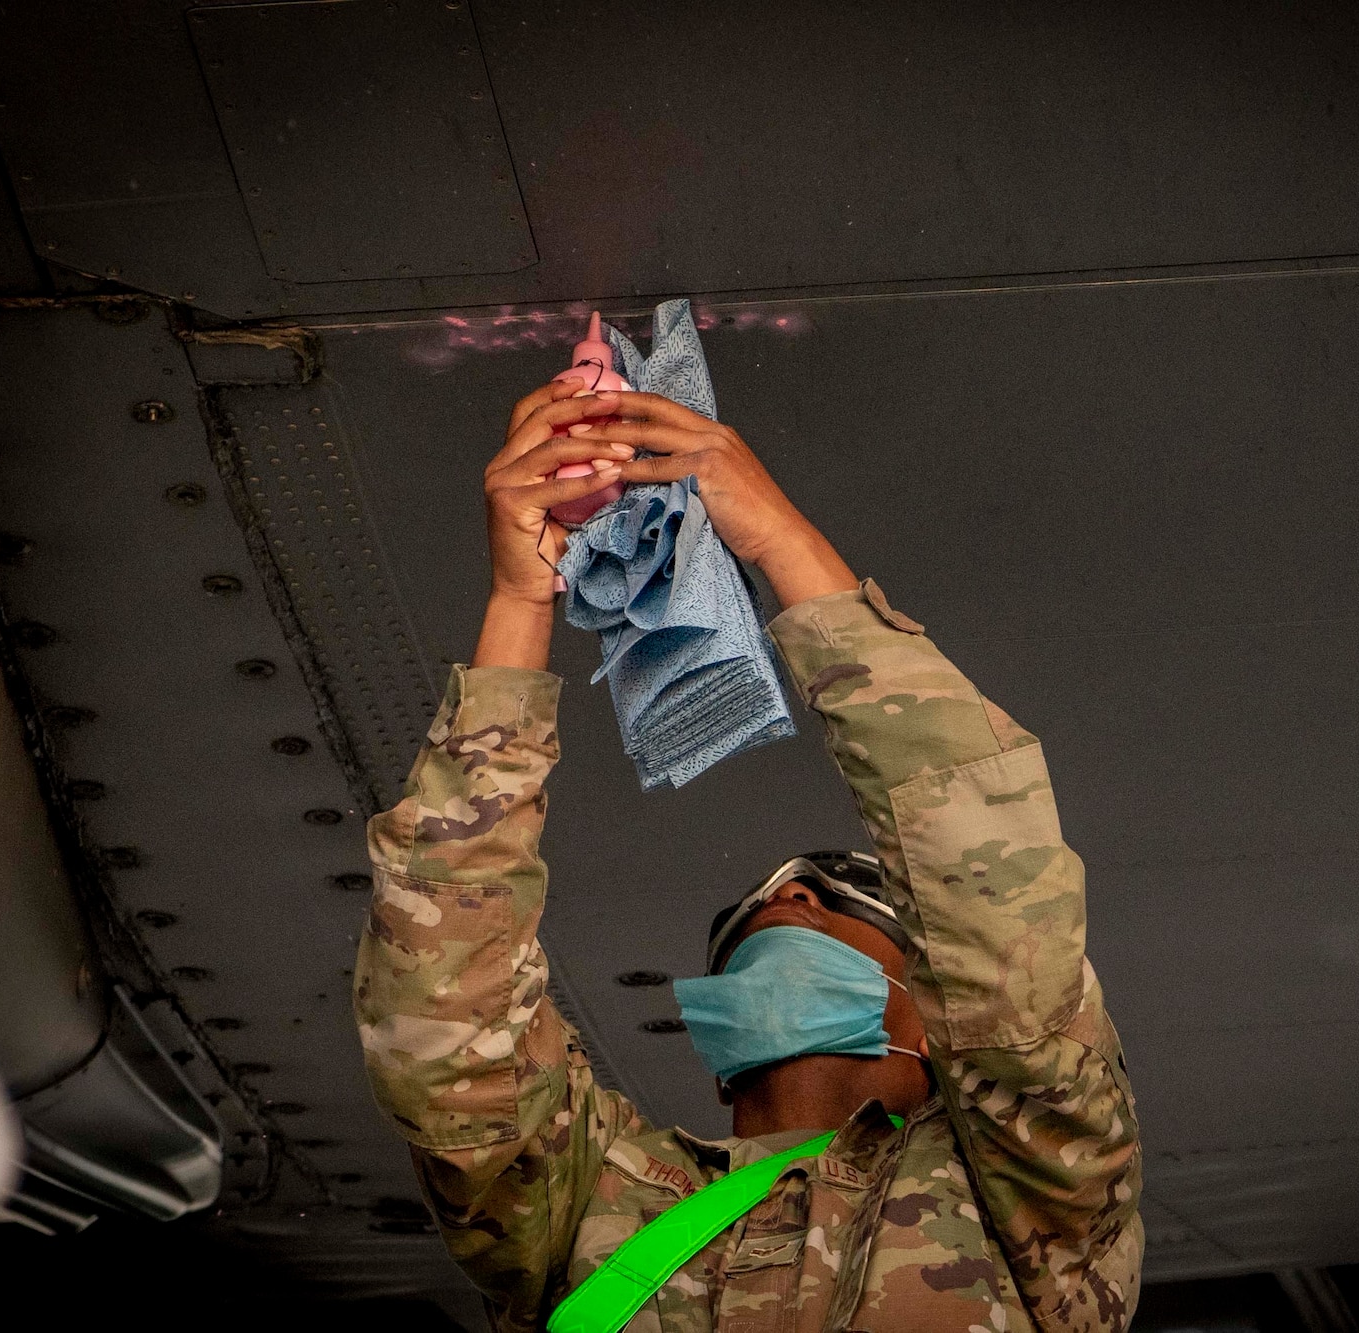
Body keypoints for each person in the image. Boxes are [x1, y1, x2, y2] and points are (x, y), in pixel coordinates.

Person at [354, 378, 1143, 1332]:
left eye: (836, 897)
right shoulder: (599, 1201)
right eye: (768, 906)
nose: (793, 893)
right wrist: (524, 596)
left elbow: (995, 903)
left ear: (940, 1018)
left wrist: (779, 540)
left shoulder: (1042, 1213)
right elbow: (444, 1028)